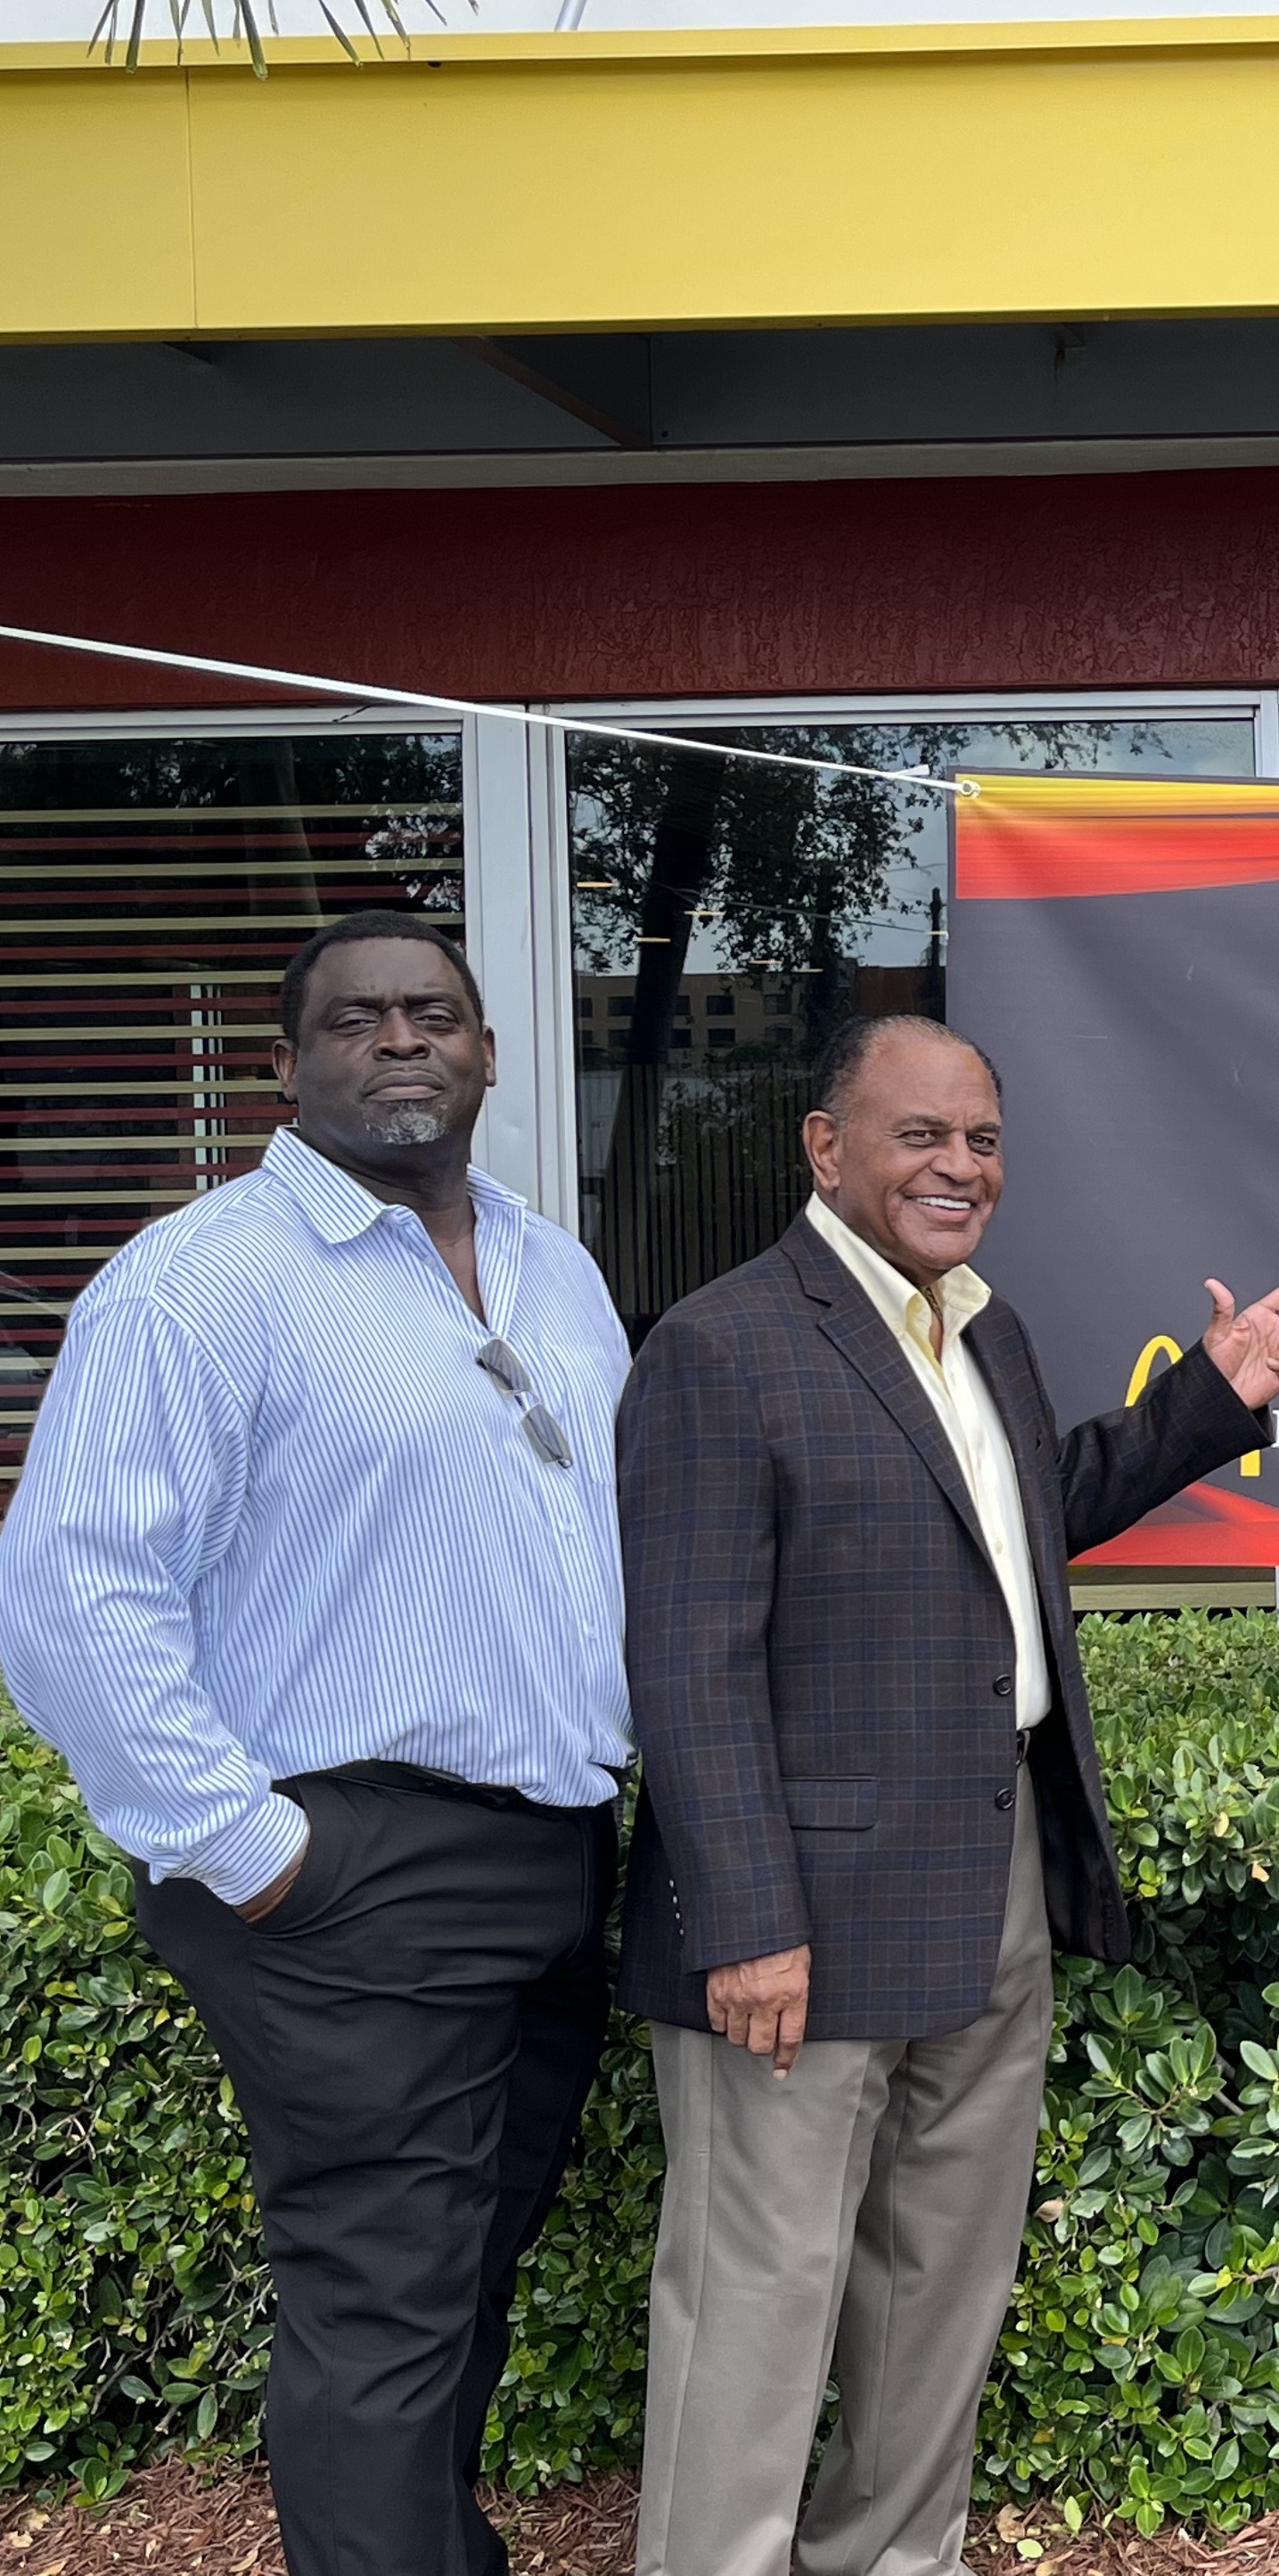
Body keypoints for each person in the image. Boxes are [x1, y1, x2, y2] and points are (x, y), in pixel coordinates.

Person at [619, 1011, 1279, 2576]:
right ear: (826, 1147)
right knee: (758, 2292)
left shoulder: (981, 1331)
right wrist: (746, 1918)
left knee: (938, 2275)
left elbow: (1026, 1516)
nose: (961, 1167)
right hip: (795, 1924)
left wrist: (1207, 1401)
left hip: (990, 1870)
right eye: (921, 1135)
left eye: (985, 1141)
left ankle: (894, 2556)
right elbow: (685, 1663)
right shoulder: (723, 1344)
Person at [0, 912, 629, 2576]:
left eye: (436, 1012)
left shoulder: (550, 1263)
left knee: (458, 2280)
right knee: (380, 2302)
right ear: (289, 1065)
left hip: (549, 1853)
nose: (402, 1039)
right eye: (358, 1020)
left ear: (490, 1053)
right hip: (350, 1864)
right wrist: (253, 1852)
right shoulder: (200, 1281)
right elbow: (74, 1597)